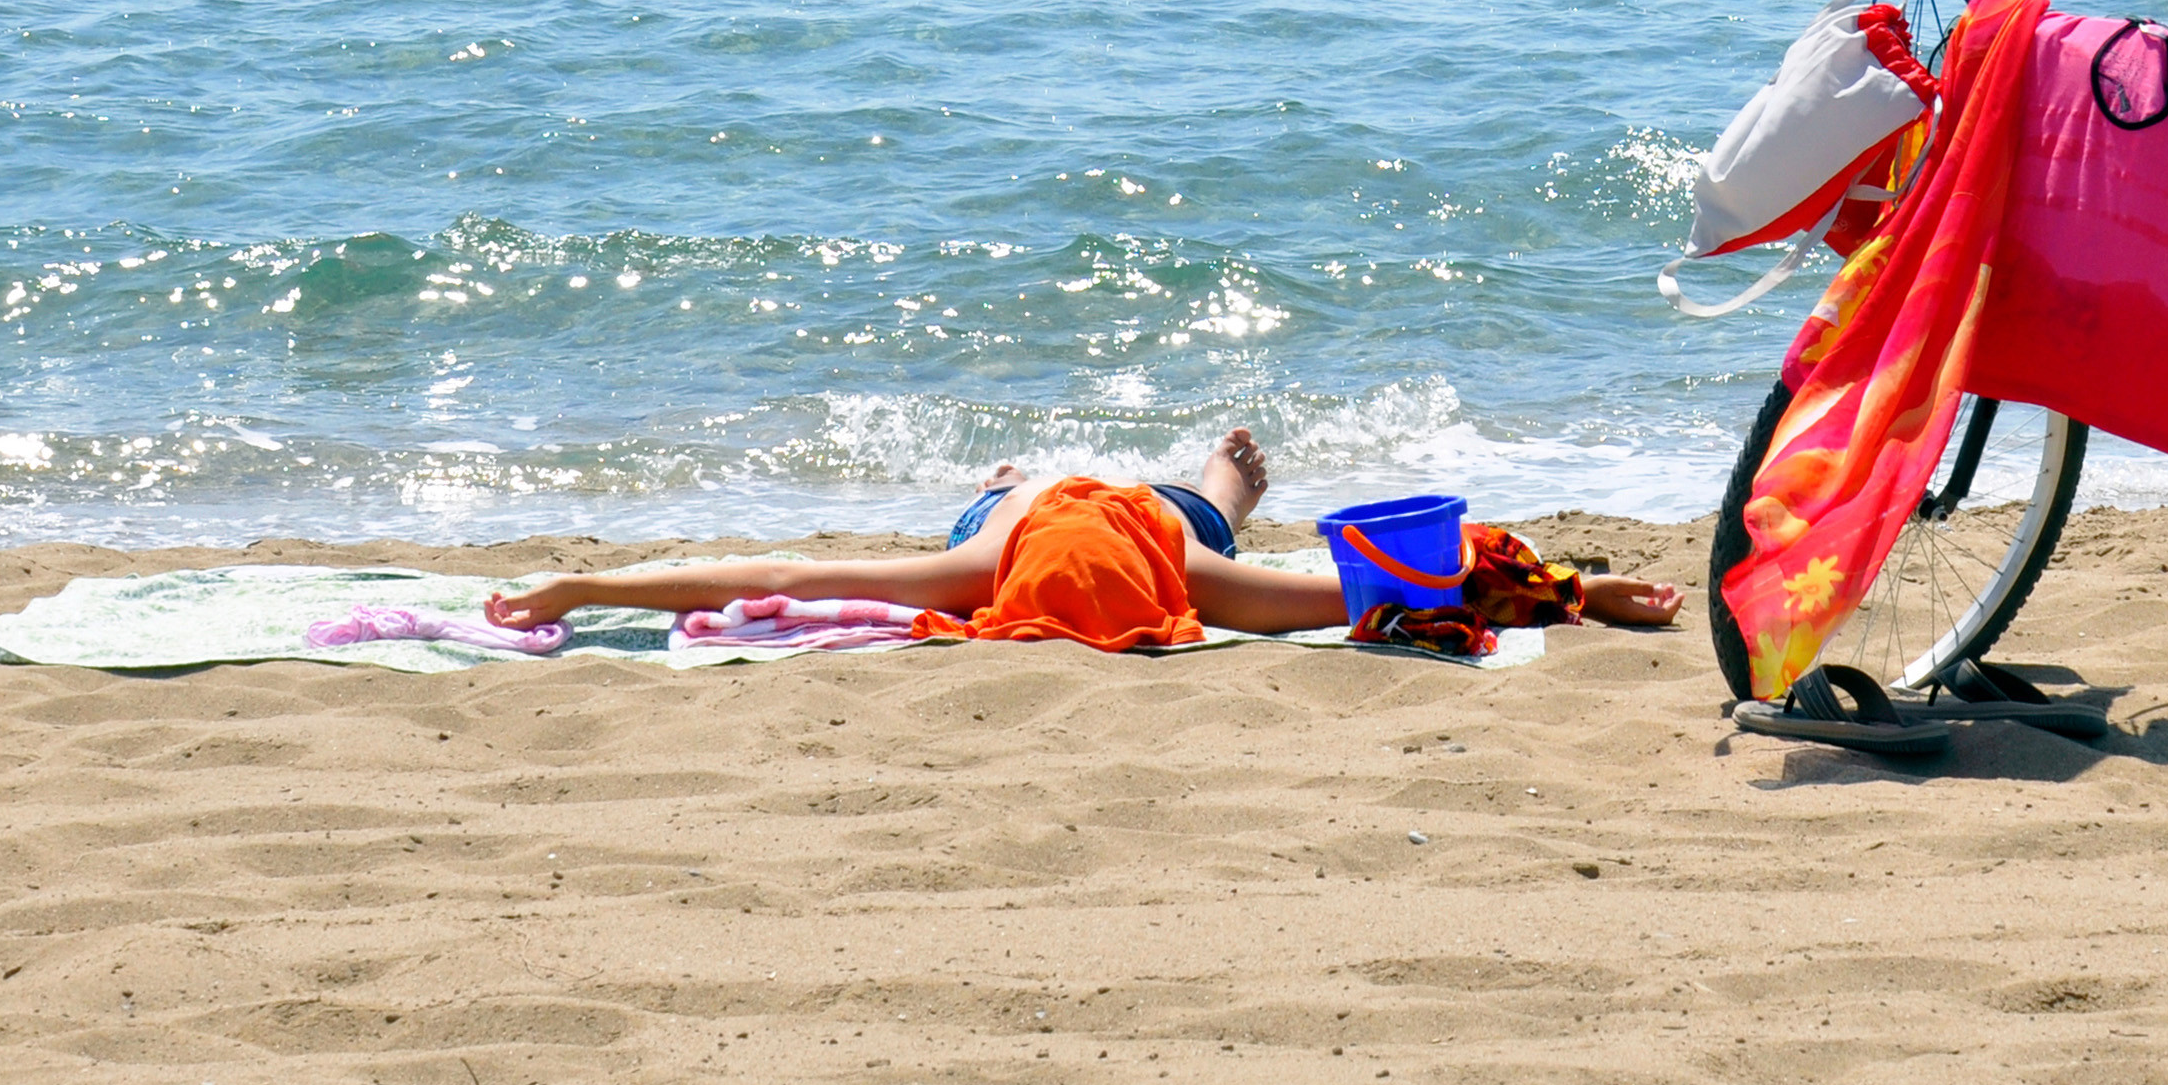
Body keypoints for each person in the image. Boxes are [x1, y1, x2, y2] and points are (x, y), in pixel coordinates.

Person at [482, 426, 1685, 642]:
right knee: (1205, 501)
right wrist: (1579, 589)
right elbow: (1427, 574)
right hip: (1146, 516)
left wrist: (585, 586)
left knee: (1164, 502)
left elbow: (774, 574)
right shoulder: (1196, 567)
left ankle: (1024, 472)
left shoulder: (981, 560)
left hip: (1047, 509)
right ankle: (1216, 477)